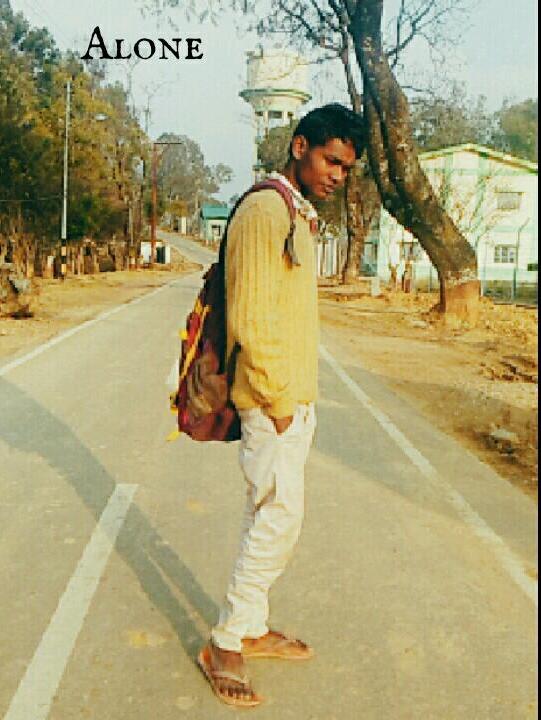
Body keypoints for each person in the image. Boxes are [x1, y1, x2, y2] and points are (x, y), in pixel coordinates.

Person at [197, 104, 364, 707]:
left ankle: (250, 625)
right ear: (299, 147)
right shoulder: (266, 210)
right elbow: (248, 315)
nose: (337, 175)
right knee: (280, 518)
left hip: (292, 397)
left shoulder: (294, 210)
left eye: (345, 168)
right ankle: (225, 641)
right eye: (330, 160)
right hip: (273, 400)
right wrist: (276, 399)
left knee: (266, 512)